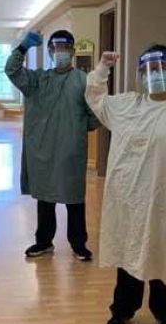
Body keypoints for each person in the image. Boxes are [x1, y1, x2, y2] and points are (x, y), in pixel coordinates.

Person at [85, 45, 166, 324]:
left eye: (163, 68)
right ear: (141, 75)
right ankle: (122, 311)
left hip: (164, 200)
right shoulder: (126, 106)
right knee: (128, 259)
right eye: (150, 70)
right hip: (127, 201)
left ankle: (163, 313)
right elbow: (95, 97)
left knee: (162, 257)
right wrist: (102, 68)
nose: (157, 74)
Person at [6, 30, 100, 261]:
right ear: (49, 52)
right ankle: (44, 241)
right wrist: (22, 48)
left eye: (65, 49)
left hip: (70, 151)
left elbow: (96, 113)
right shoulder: (38, 80)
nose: (61, 53)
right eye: (56, 49)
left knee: (74, 199)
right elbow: (12, 70)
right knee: (45, 198)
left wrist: (77, 128)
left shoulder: (83, 80)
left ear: (73, 52)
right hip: (42, 150)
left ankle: (79, 244)